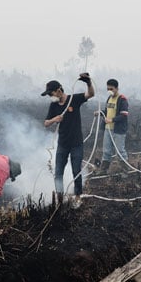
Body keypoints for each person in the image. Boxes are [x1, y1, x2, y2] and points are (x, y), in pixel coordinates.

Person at [43, 73, 95, 207]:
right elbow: (46, 123)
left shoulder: (74, 99)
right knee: (58, 172)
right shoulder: (53, 106)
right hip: (63, 145)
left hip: (76, 143)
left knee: (76, 170)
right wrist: (55, 119)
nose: (50, 96)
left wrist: (88, 82)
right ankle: (60, 198)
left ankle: (78, 196)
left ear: (59, 90)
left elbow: (90, 94)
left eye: (51, 93)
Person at [96, 79, 129, 174]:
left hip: (118, 130)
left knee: (120, 151)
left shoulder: (122, 99)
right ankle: (103, 170)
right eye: (108, 89)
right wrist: (100, 113)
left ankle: (125, 171)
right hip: (108, 129)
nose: (110, 90)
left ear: (117, 88)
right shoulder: (109, 98)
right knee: (106, 151)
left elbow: (124, 114)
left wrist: (112, 120)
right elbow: (107, 111)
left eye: (111, 88)